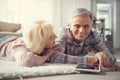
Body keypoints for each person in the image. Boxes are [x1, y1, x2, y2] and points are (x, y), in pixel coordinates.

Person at [49, 8, 118, 69]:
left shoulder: (93, 34)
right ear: (69, 26)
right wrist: (89, 60)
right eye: (77, 26)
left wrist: (102, 54)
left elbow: (111, 57)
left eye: (86, 26)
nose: (81, 31)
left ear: (91, 27)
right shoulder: (63, 33)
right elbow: (54, 56)